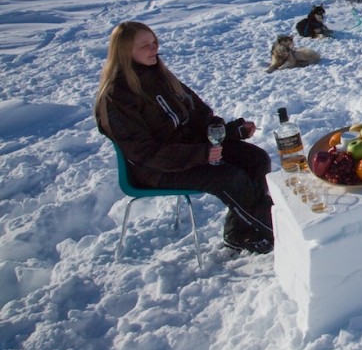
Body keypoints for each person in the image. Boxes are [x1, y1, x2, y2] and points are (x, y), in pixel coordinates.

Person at [94, 21, 274, 254]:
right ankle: (280, 232)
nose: (154, 49)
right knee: (229, 177)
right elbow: (143, 153)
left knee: (255, 159)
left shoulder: (159, 76)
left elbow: (200, 116)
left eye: (154, 42)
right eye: (145, 45)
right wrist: (201, 154)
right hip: (157, 169)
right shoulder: (117, 96)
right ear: (124, 51)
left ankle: (240, 233)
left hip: (190, 151)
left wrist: (230, 131)